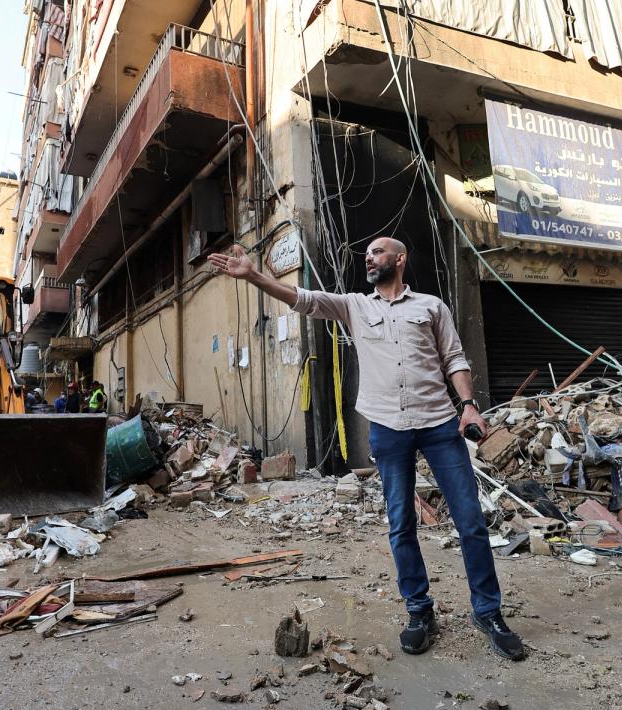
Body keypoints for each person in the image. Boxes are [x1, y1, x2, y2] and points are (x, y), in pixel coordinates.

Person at [208, 238, 526, 661]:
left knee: (470, 522)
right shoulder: (355, 306)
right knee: (401, 525)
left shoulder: (431, 306)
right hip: (388, 429)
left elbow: (454, 359)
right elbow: (301, 298)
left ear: (400, 257)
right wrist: (253, 277)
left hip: (438, 424)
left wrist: (468, 406)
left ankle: (488, 612)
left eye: (377, 252)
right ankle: (418, 611)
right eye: (367, 255)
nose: (369, 258)